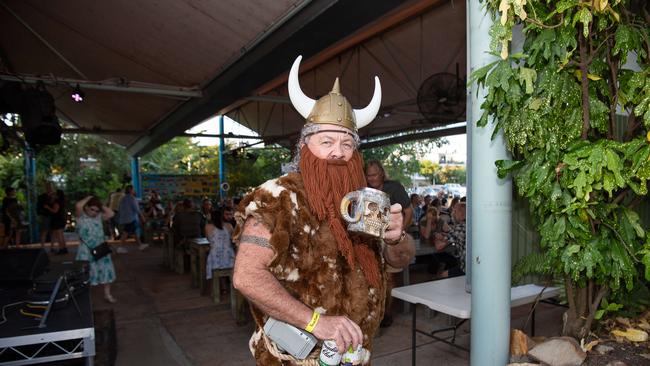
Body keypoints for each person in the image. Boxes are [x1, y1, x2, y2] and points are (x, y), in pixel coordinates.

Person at [232, 56, 414, 364]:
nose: (337, 153)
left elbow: (398, 261)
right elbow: (246, 276)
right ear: (304, 147)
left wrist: (397, 238)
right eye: (326, 141)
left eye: (347, 144)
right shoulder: (277, 197)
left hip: (355, 353)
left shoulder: (363, 203)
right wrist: (316, 323)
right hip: (293, 357)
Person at [364, 159, 413, 328]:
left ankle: (387, 313)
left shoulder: (394, 187)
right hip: (371, 239)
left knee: (389, 278)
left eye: (375, 174)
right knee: (371, 277)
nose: (372, 178)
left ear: (382, 173)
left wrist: (400, 233)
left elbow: (409, 212)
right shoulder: (365, 189)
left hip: (390, 238)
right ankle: (373, 312)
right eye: (369, 175)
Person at [75, 195, 118, 303]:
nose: (94, 212)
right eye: (92, 209)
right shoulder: (81, 217)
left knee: (107, 271)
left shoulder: (99, 216)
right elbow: (78, 205)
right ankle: (85, 297)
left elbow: (111, 213)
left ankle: (107, 294)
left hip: (101, 248)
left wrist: (100, 205)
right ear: (86, 207)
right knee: (87, 274)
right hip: (86, 250)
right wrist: (89, 198)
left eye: (96, 210)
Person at [205, 208, 235, 297]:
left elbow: (208, 239)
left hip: (215, 257)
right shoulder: (229, 226)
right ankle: (225, 288)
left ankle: (215, 290)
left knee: (213, 260)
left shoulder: (208, 227)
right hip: (229, 256)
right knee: (224, 261)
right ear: (222, 217)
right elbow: (233, 239)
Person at [117, 185, 148, 251]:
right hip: (130, 218)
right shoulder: (132, 198)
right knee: (126, 232)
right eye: (133, 189)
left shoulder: (123, 198)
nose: (134, 191)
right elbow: (137, 209)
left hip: (125, 218)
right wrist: (142, 217)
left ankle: (140, 245)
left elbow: (119, 208)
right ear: (130, 190)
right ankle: (120, 247)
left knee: (134, 232)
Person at [48, 189, 68, 254]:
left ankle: (61, 248)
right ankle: (64, 248)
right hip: (61, 218)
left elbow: (55, 211)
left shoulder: (57, 202)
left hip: (57, 220)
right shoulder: (62, 201)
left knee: (59, 235)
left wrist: (48, 208)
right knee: (61, 235)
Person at [37, 182, 55, 249]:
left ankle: (52, 247)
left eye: (50, 186)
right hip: (45, 215)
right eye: (48, 187)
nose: (49, 188)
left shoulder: (55, 196)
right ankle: (42, 247)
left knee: (52, 232)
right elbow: (39, 206)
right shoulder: (42, 196)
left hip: (54, 216)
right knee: (44, 231)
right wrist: (40, 214)